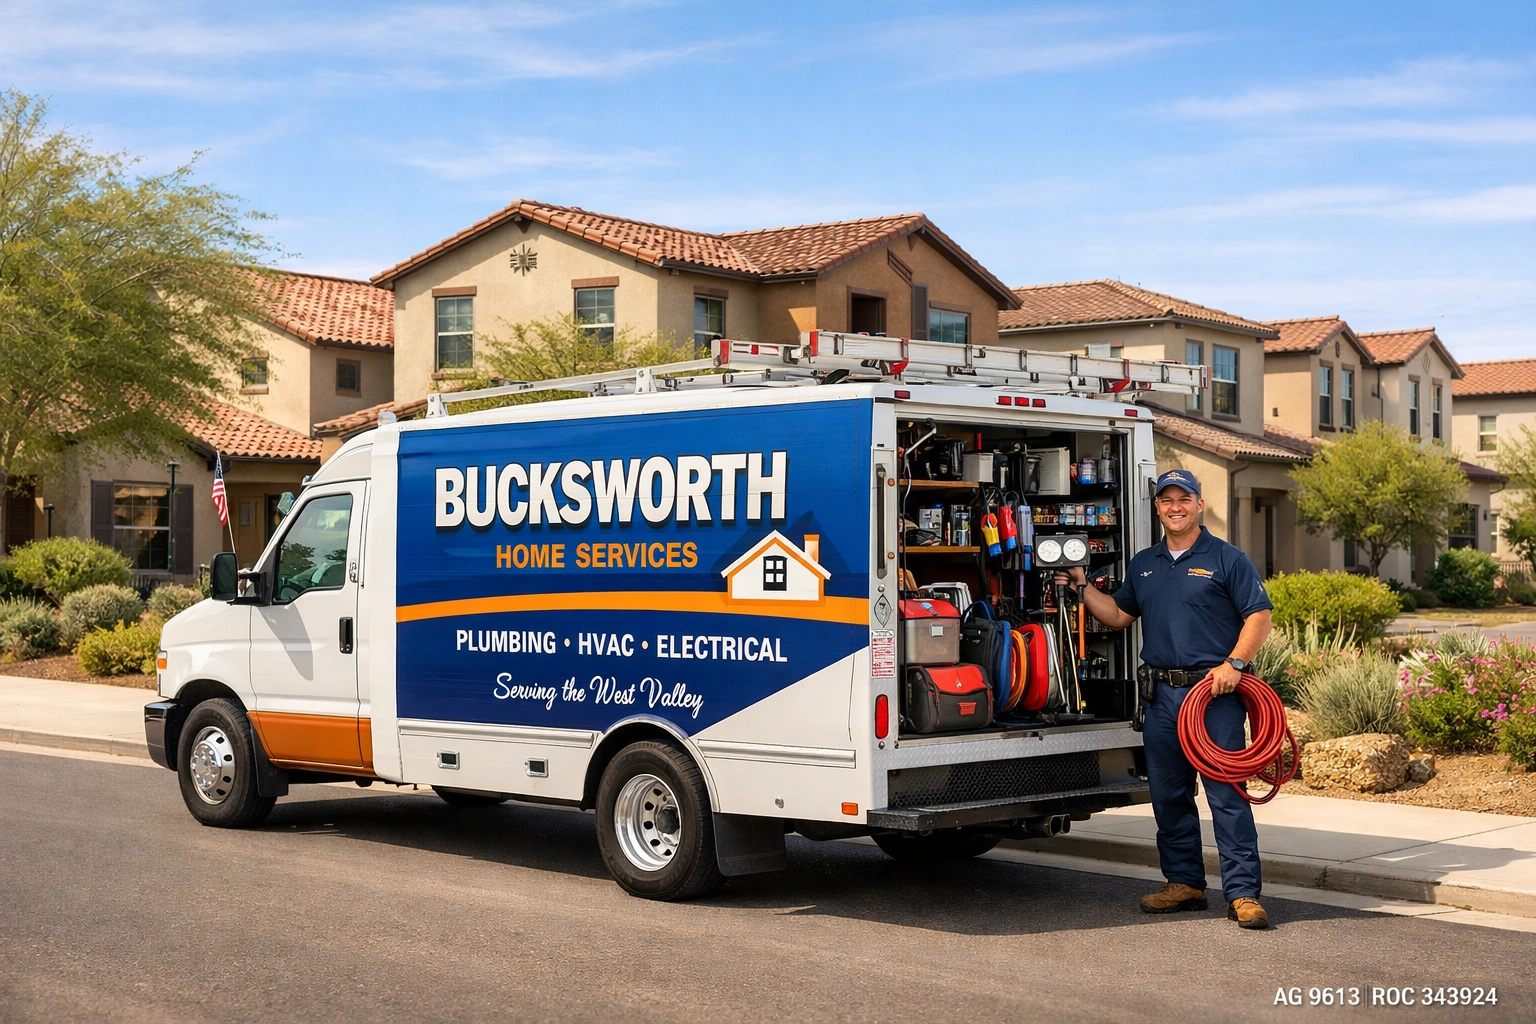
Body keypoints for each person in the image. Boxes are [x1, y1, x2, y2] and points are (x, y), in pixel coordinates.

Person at [1059, 469, 1274, 929]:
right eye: (1166, 500)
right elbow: (1118, 615)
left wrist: (1234, 664)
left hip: (1213, 696)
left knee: (1226, 795)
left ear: (1199, 504)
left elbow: (1259, 616)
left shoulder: (1227, 558)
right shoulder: (1145, 563)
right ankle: (1185, 883)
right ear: (1157, 507)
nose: (1175, 507)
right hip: (1161, 698)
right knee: (1169, 795)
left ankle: (1243, 893)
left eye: (1184, 499)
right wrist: (1081, 585)